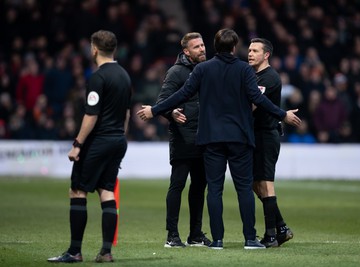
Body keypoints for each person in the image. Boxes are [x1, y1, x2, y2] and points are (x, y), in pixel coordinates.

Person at [137, 29, 301, 249]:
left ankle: (217, 241)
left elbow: (182, 94)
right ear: (234, 47)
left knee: (214, 189)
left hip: (211, 138)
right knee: (244, 188)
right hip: (240, 137)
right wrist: (283, 114)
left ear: (214, 46)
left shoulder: (203, 69)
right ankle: (250, 239)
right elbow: (257, 99)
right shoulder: (244, 69)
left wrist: (155, 110)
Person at [48, 30, 132, 263]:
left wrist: (77, 144)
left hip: (98, 141)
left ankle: (75, 251)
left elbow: (91, 114)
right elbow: (126, 113)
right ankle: (106, 252)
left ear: (94, 49)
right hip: (117, 140)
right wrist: (118, 139)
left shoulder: (97, 77)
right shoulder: (125, 76)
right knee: (106, 191)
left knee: (78, 190)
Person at [157, 32, 211, 248]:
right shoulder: (176, 72)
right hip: (182, 138)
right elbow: (162, 102)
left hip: (205, 138)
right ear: (186, 51)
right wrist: (172, 113)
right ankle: (172, 235)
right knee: (177, 185)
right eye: (197, 47)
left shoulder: (207, 70)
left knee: (199, 188)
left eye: (203, 44)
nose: (202, 49)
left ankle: (195, 235)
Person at [248, 38, 294, 248]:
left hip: (266, 135)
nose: (250, 53)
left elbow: (253, 106)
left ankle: (271, 235)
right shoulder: (254, 75)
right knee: (255, 184)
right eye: (249, 50)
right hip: (256, 135)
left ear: (266, 55)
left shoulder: (269, 77)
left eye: (255, 50)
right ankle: (281, 227)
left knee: (266, 183)